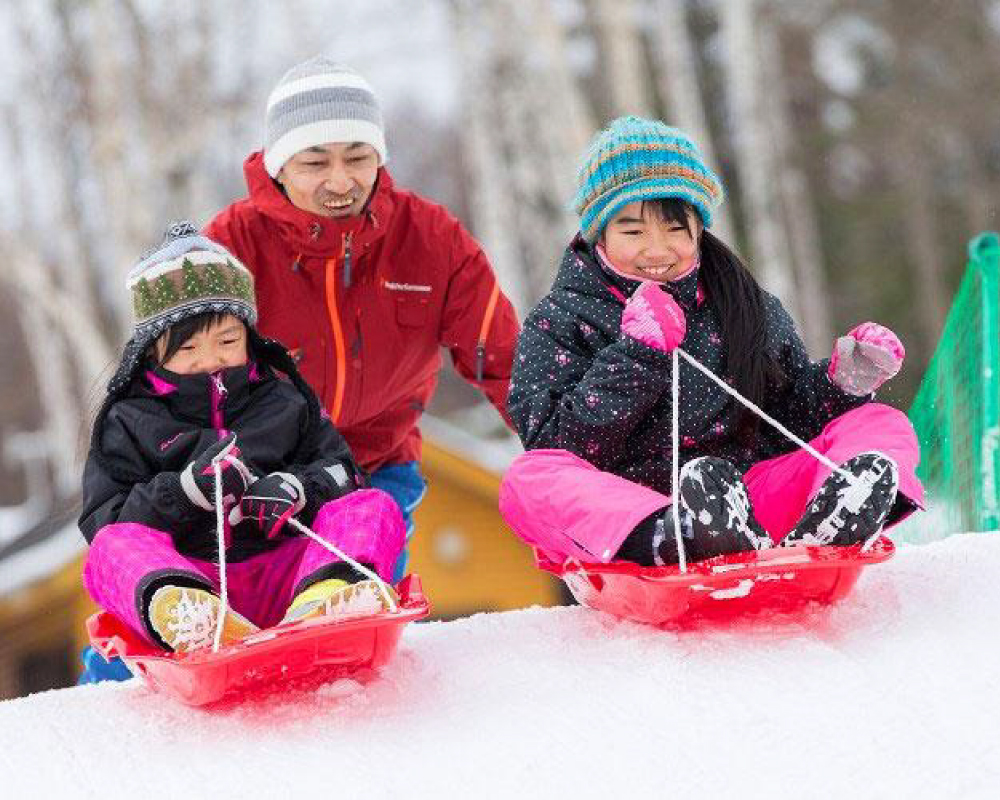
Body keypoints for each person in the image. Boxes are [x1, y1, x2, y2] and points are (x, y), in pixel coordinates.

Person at [498, 116, 924, 568]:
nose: (657, 249)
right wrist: (636, 356)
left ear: (699, 229)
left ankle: (835, 517)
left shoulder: (743, 305)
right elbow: (557, 444)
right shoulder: (559, 321)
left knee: (879, 421)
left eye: (675, 228)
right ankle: (682, 536)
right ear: (599, 233)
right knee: (529, 479)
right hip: (627, 522)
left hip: (752, 503)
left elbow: (789, 420)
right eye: (633, 231)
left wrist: (843, 383)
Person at [205, 57, 520, 578]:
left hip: (377, 466)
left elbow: (507, 362)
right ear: (278, 165)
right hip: (262, 478)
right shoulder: (231, 246)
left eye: (357, 157)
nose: (340, 181)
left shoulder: (430, 238)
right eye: (314, 163)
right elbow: (181, 376)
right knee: (235, 606)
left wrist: (584, 464)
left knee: (353, 585)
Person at [79, 223, 405, 653]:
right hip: (194, 576)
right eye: (187, 348)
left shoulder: (285, 401)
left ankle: (327, 601)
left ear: (248, 336)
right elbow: (107, 521)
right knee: (109, 549)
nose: (210, 359)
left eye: (227, 340)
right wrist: (183, 493)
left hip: (288, 576)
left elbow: (345, 473)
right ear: (152, 351)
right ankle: (192, 620)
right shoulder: (129, 419)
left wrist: (298, 489)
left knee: (372, 505)